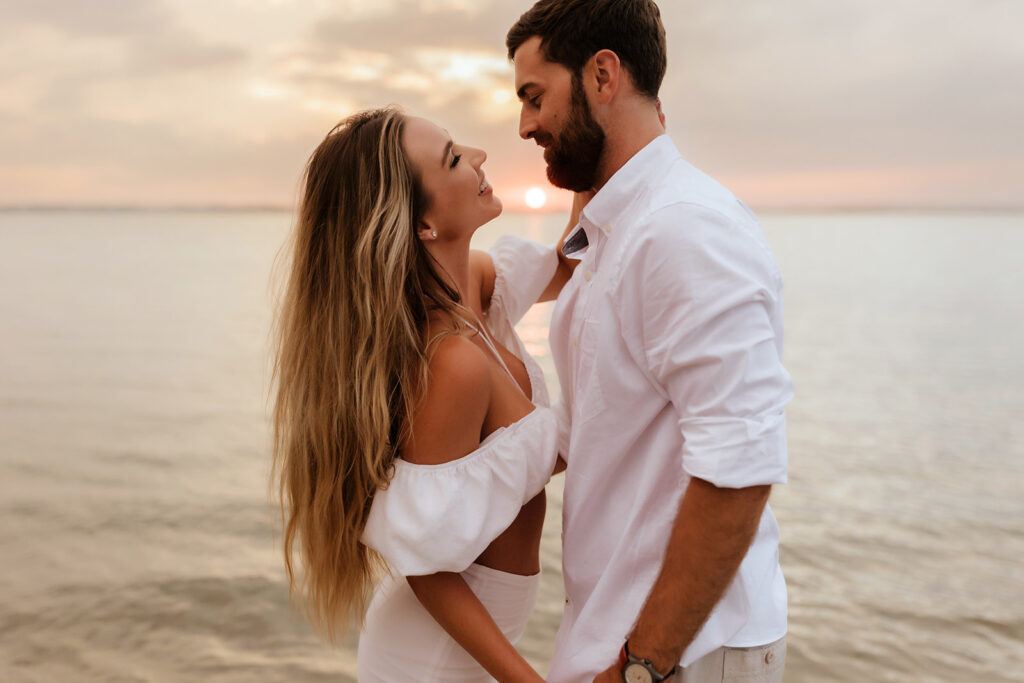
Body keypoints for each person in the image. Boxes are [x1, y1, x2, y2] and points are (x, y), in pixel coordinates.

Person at [506, 1, 794, 681]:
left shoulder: (683, 231)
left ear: (603, 76)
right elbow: (608, 430)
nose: (524, 125)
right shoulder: (618, 231)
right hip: (622, 636)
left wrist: (642, 665)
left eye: (534, 96)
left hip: (681, 655)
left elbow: (741, 466)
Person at [270, 107, 575, 682]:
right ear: (422, 224)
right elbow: (428, 568)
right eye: (454, 158)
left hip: (466, 649)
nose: (480, 157)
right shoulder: (450, 363)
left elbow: (573, 261)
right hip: (431, 663)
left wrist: (584, 135)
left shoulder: (477, 287)